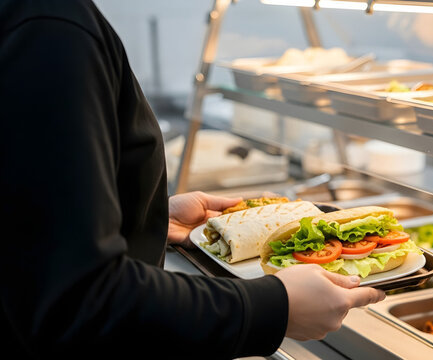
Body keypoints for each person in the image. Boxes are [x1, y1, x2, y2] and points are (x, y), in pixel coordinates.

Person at [0, 0, 385, 358]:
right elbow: (79, 302)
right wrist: (271, 308)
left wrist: (144, 221)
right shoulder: (50, 28)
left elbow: (28, 220)